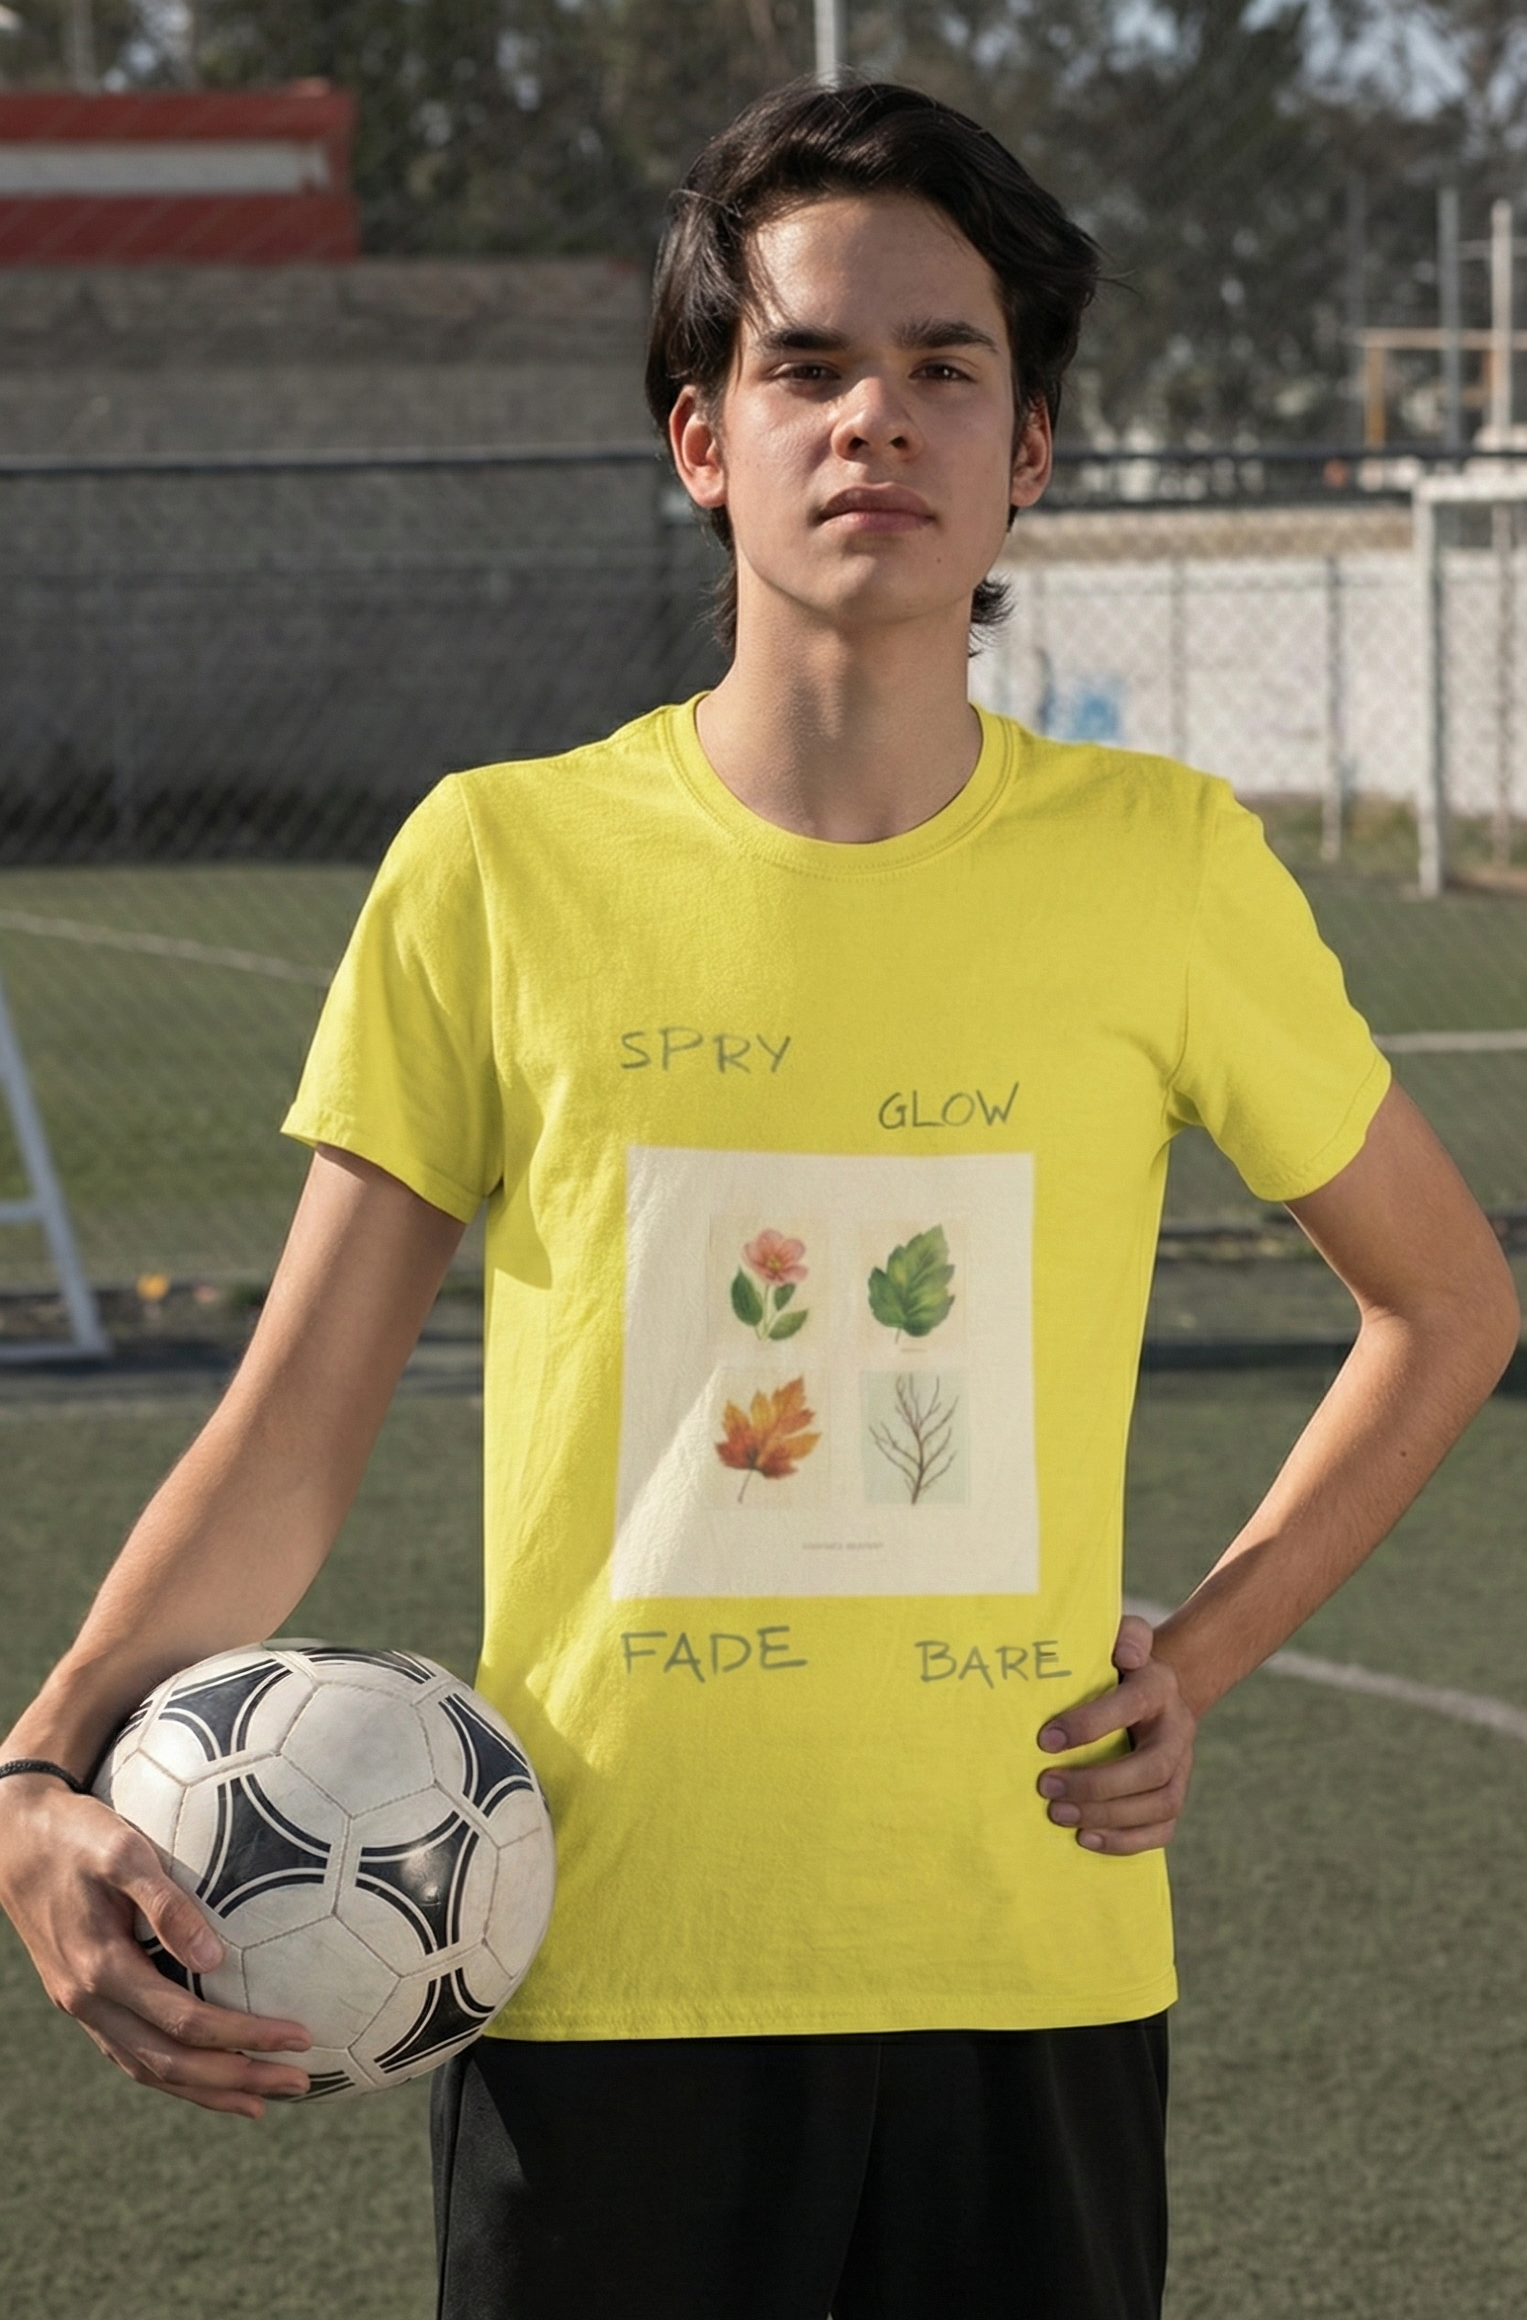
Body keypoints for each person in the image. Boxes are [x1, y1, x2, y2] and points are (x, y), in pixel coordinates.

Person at [0, 77, 1517, 2320]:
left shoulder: (1165, 862)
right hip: (595, 1969)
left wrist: (1196, 1653)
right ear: (700, 434)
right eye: (802, 363)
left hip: (1025, 1956)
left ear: (1029, 450)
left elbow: (1447, 1300)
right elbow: (294, 1422)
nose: (868, 419)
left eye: (943, 366)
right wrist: (41, 1760)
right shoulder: (496, 863)